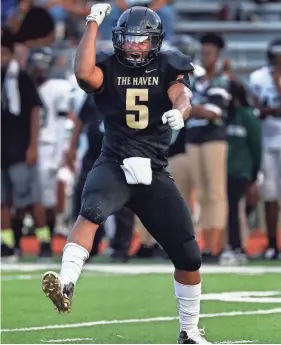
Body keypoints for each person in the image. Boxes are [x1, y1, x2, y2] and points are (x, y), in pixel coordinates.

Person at [41, 5, 209, 344]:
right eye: (129, 39)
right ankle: (67, 283)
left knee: (188, 254)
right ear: (118, 39)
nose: (134, 46)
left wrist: (181, 111)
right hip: (115, 160)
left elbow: (182, 93)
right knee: (91, 212)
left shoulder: (168, 63)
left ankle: (189, 331)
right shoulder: (108, 64)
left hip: (154, 168)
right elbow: (84, 74)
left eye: (141, 40)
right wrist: (92, 24)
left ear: (155, 41)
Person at [1, 27, 49, 259]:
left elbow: (35, 110)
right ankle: (7, 243)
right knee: (2, 201)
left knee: (31, 199)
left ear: (10, 54)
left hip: (20, 147)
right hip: (2, 149)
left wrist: (33, 145)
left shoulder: (19, 78)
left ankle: (44, 240)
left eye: (2, 53)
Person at [185, 33, 230, 262]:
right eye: (203, 53)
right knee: (202, 194)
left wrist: (192, 108)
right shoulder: (196, 80)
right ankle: (207, 244)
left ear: (218, 55)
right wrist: (197, 108)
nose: (205, 57)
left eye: (209, 53)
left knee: (215, 192)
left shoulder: (221, 79)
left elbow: (215, 111)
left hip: (214, 138)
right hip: (194, 138)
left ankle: (216, 245)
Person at [27, 46, 73, 257]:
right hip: (29, 147)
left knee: (47, 198)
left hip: (50, 146)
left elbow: (63, 123)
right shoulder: (23, 84)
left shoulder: (58, 87)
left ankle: (53, 234)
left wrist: (62, 150)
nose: (39, 69)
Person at [220, 80, 261, 265]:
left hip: (241, 171)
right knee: (229, 210)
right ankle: (231, 246)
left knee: (236, 210)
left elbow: (256, 146)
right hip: (224, 171)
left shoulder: (247, 116)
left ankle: (237, 247)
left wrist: (254, 173)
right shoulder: (225, 117)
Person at [249, 38, 281, 260]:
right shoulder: (258, 77)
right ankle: (272, 244)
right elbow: (255, 108)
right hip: (266, 140)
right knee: (269, 195)